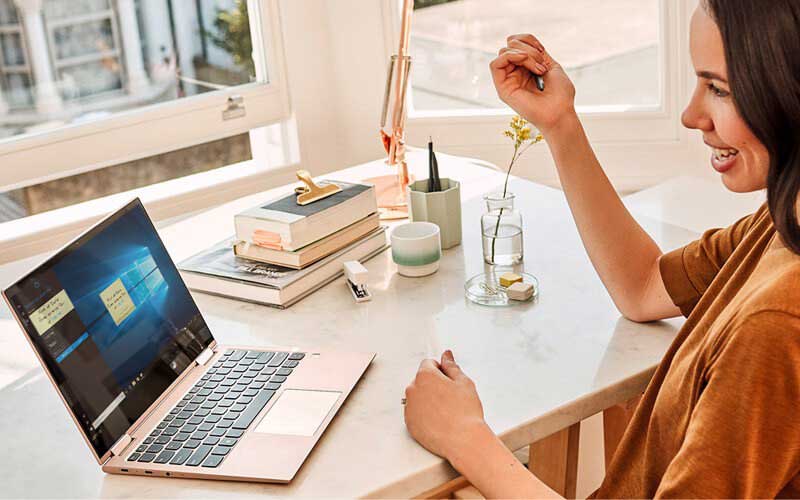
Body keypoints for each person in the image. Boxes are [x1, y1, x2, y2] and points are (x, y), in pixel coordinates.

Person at [403, 0, 800, 497]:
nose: (690, 114)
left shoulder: (778, 322)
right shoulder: (780, 225)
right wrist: (560, 124)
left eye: (719, 88)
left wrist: (466, 438)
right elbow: (644, 285)